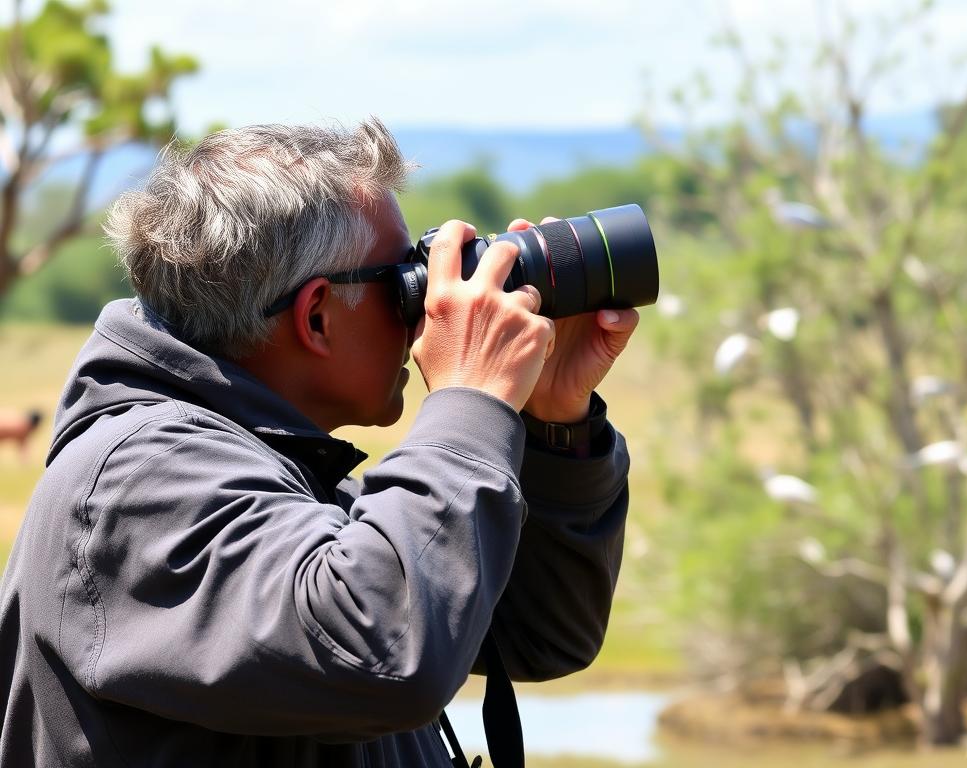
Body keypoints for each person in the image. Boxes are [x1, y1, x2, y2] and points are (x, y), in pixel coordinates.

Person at [0, 119, 637, 767]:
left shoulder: (276, 472)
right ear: (315, 316)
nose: (422, 312)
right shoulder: (138, 483)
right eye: (401, 283)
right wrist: (469, 399)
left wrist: (553, 424)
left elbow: (539, 632)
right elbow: (382, 648)